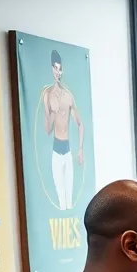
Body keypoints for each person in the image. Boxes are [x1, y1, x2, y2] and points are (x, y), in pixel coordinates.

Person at [42, 50, 84, 210]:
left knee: (69, 199)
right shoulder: (47, 95)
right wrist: (53, 113)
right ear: (51, 68)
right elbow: (47, 129)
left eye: (60, 69)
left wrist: (80, 149)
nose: (57, 72)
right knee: (61, 200)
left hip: (67, 151)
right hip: (56, 151)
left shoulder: (68, 96)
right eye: (55, 68)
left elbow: (80, 123)